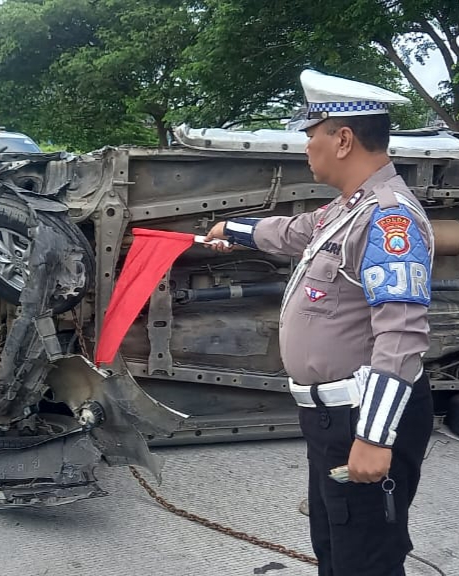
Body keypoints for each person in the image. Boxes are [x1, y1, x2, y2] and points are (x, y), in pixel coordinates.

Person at [204, 69, 434, 576]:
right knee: (333, 547)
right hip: (330, 418)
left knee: (366, 558)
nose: (306, 147)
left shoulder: (388, 218)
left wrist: (374, 438)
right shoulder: (345, 210)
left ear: (344, 138)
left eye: (311, 136)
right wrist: (232, 230)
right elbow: (291, 232)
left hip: (363, 416)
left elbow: (401, 331)